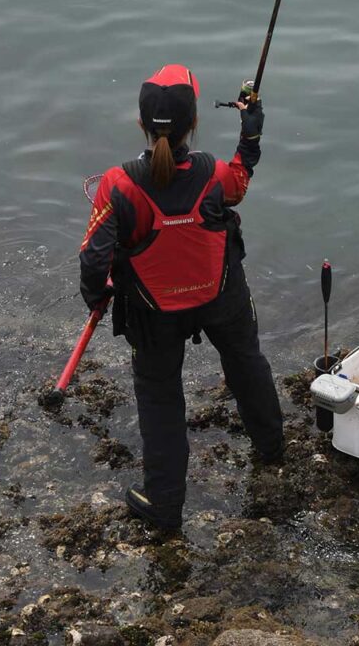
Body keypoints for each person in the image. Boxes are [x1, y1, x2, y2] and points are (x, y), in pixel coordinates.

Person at [79, 64, 284, 529]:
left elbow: (94, 259)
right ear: (194, 123)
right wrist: (250, 134)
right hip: (220, 297)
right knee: (245, 360)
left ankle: (165, 505)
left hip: (152, 312)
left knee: (160, 396)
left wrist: (97, 297)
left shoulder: (119, 184)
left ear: (141, 124)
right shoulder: (212, 173)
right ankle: (272, 449)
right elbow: (240, 183)